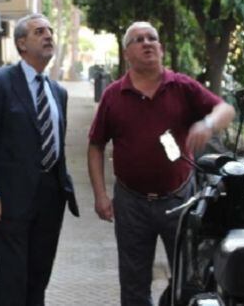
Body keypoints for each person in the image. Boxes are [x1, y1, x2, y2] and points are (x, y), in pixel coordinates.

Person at [87, 21, 235, 306]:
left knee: (188, 282)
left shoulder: (182, 86)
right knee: (133, 286)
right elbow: (95, 145)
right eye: (138, 39)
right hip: (130, 204)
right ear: (127, 53)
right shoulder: (114, 95)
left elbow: (225, 109)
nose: (147, 43)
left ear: (161, 48)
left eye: (152, 38)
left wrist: (207, 123)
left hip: (180, 200)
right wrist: (101, 195)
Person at [0, 13, 79, 306]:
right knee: (11, 281)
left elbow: (56, 142)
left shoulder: (58, 91)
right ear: (21, 43)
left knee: (38, 279)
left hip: (50, 199)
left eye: (50, 31)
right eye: (38, 31)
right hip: (9, 201)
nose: (48, 36)